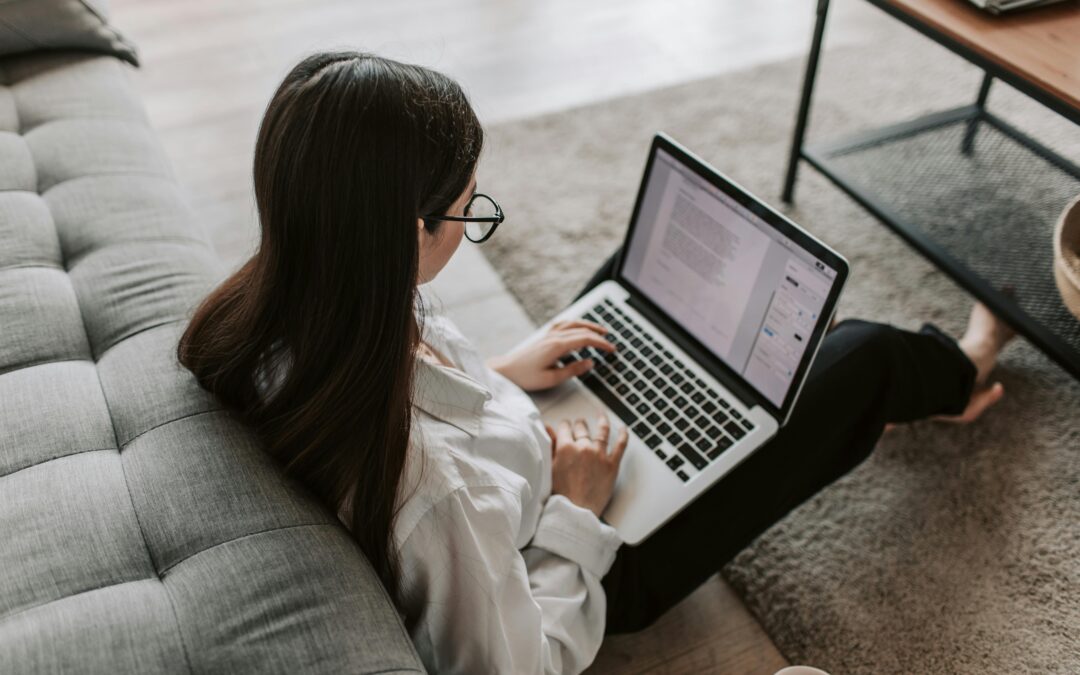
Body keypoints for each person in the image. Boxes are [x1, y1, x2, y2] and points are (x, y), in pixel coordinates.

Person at [177, 51, 1014, 674]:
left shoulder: (293, 306)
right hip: (590, 550)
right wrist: (579, 511)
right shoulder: (433, 498)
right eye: (471, 213)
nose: (473, 224)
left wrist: (502, 373)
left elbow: (412, 409)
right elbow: (525, 662)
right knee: (857, 357)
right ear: (406, 232)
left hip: (525, 451)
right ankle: (962, 369)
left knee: (636, 286)